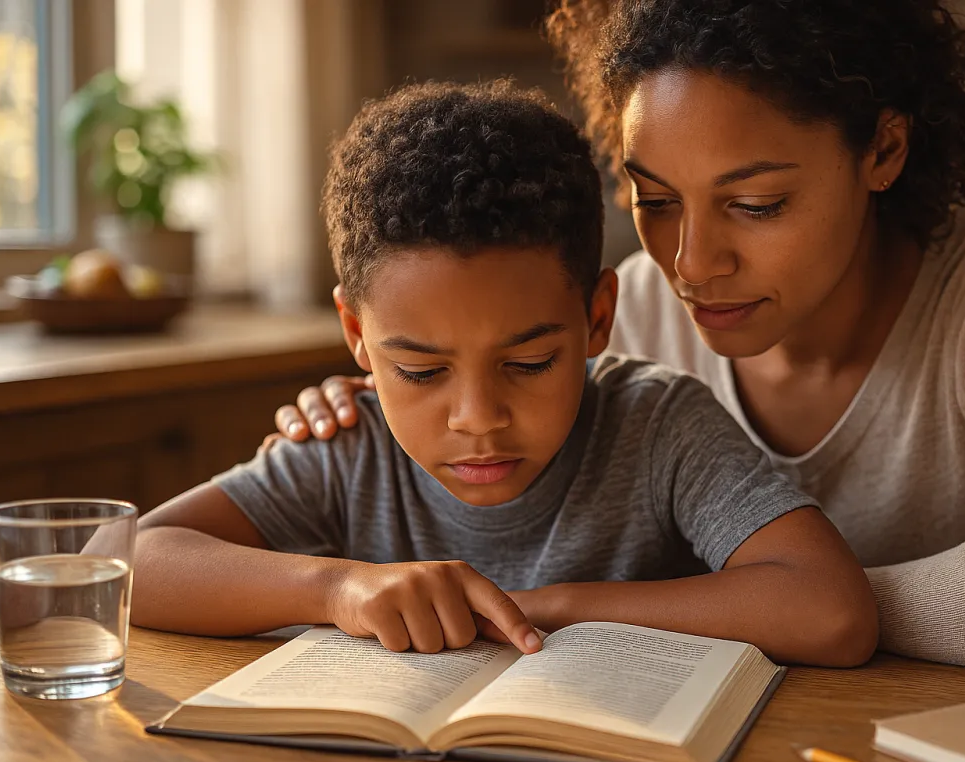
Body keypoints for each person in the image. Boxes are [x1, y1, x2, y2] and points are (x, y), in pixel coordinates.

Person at [275, 0, 965, 679]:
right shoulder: (628, 318)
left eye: (757, 204)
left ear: (883, 149)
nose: (691, 263)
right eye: (655, 201)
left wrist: (743, 602)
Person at [132, 80, 878, 667]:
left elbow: (831, 612)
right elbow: (128, 558)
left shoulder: (659, 426)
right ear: (357, 335)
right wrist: (337, 587)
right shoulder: (349, 445)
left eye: (528, 363)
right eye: (421, 372)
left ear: (596, 319)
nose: (477, 417)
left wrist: (544, 606)